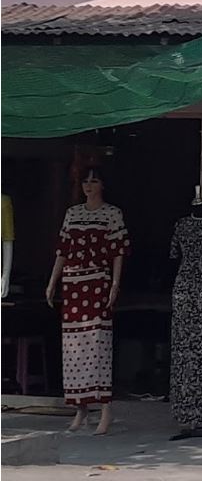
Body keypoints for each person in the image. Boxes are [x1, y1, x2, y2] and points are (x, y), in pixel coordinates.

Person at [45, 167, 129, 435]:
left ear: (103, 184)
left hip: (97, 282)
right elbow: (63, 249)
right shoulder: (73, 213)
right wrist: (52, 281)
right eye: (85, 181)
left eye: (94, 181)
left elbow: (118, 251)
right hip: (73, 283)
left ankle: (104, 408)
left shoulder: (112, 214)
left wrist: (114, 284)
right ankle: (80, 408)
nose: (88, 186)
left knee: (98, 343)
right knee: (73, 346)